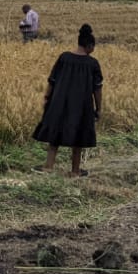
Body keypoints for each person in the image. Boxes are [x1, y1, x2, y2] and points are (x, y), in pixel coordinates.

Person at [33, 24, 103, 177]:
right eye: (93, 47)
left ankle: (48, 167)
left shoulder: (64, 57)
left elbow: (52, 79)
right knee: (79, 137)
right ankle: (75, 171)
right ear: (90, 46)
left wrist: (46, 97)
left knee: (55, 134)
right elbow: (97, 88)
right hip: (82, 105)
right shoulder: (92, 64)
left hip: (59, 102)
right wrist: (98, 108)